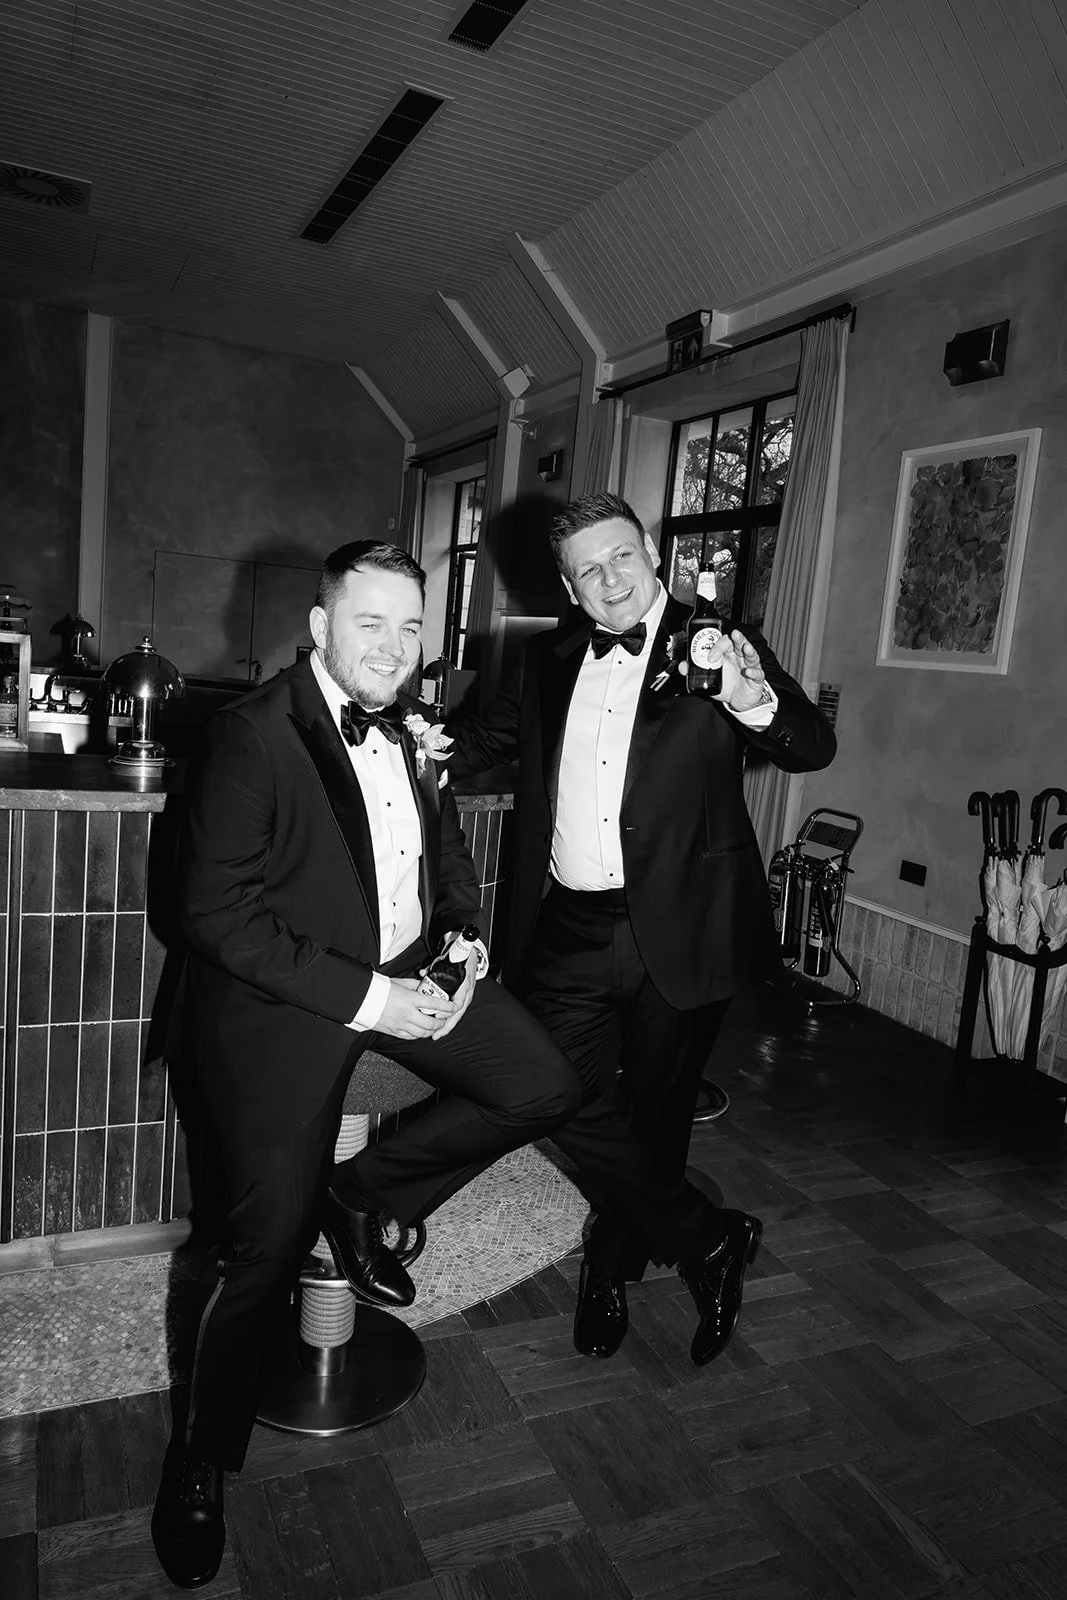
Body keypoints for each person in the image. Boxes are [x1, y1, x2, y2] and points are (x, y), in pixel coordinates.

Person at [151, 538, 766, 1590]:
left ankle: (356, 1199)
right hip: (282, 1011)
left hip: (412, 976)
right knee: (252, 1249)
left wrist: (461, 929)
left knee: (546, 1084)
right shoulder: (252, 733)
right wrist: (373, 995)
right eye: (367, 623)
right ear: (318, 628)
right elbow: (209, 911)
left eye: (407, 627)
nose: (390, 648)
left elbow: (443, 853)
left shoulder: (414, 728)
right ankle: (197, 1462)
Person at [447, 492, 836, 1362]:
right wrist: (385, 738)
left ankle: (609, 1265)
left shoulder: (714, 644)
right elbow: (475, 742)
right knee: (550, 1090)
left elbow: (809, 746)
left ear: (651, 551)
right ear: (569, 585)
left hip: (685, 925)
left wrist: (746, 694)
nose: (609, 579)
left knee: (658, 1110)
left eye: (620, 556)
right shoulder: (545, 658)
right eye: (589, 568)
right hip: (569, 926)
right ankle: (708, 1237)